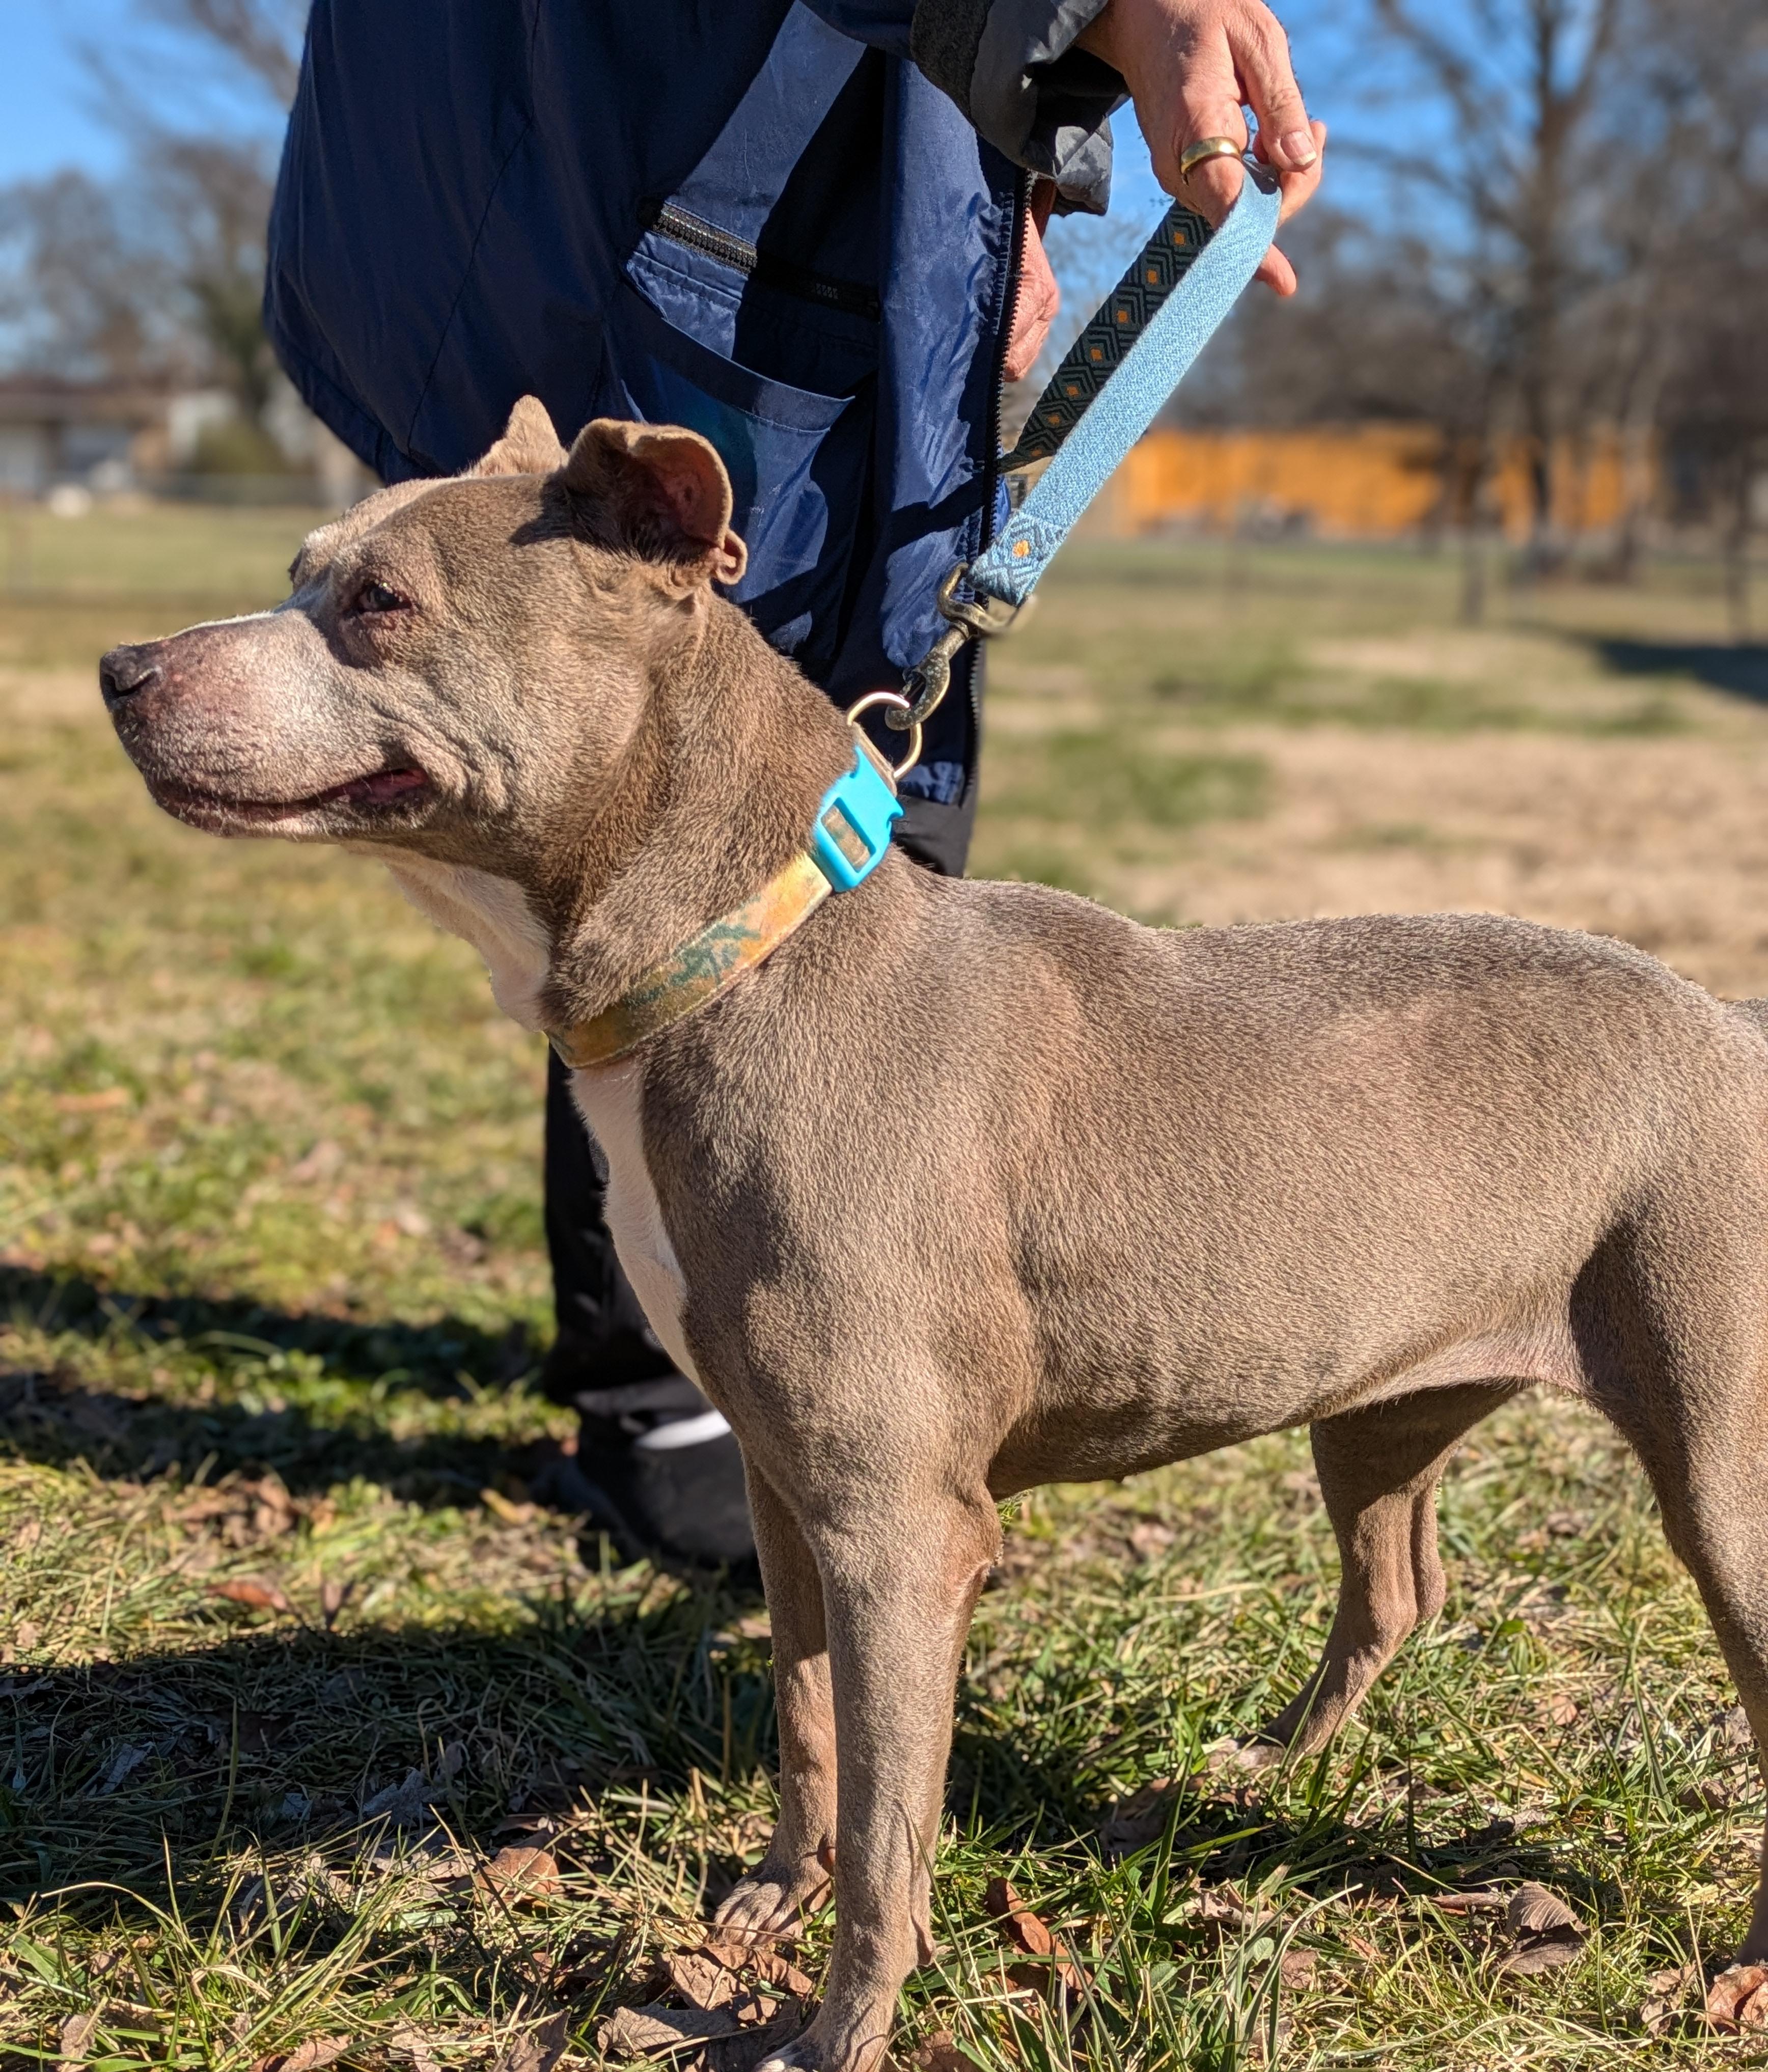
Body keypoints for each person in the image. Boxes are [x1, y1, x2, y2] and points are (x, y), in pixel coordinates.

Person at [265, 0, 1323, 1568]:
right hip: (639, 153)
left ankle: (840, 1317)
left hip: (724, 161)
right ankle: (680, 1371)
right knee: (655, 816)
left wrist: (1000, 187)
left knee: (850, 782)